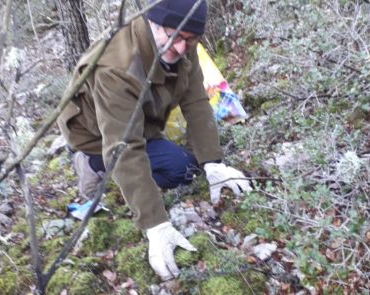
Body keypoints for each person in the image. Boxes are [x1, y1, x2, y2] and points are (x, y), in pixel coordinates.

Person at [57, 0, 252, 281]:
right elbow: (123, 147)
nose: (182, 48)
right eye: (175, 37)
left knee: (185, 170)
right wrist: (156, 225)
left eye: (191, 39)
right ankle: (91, 163)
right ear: (153, 23)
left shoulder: (183, 44)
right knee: (123, 158)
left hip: (143, 119)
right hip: (95, 134)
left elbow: (196, 100)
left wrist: (213, 163)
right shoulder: (117, 66)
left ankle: (131, 176)